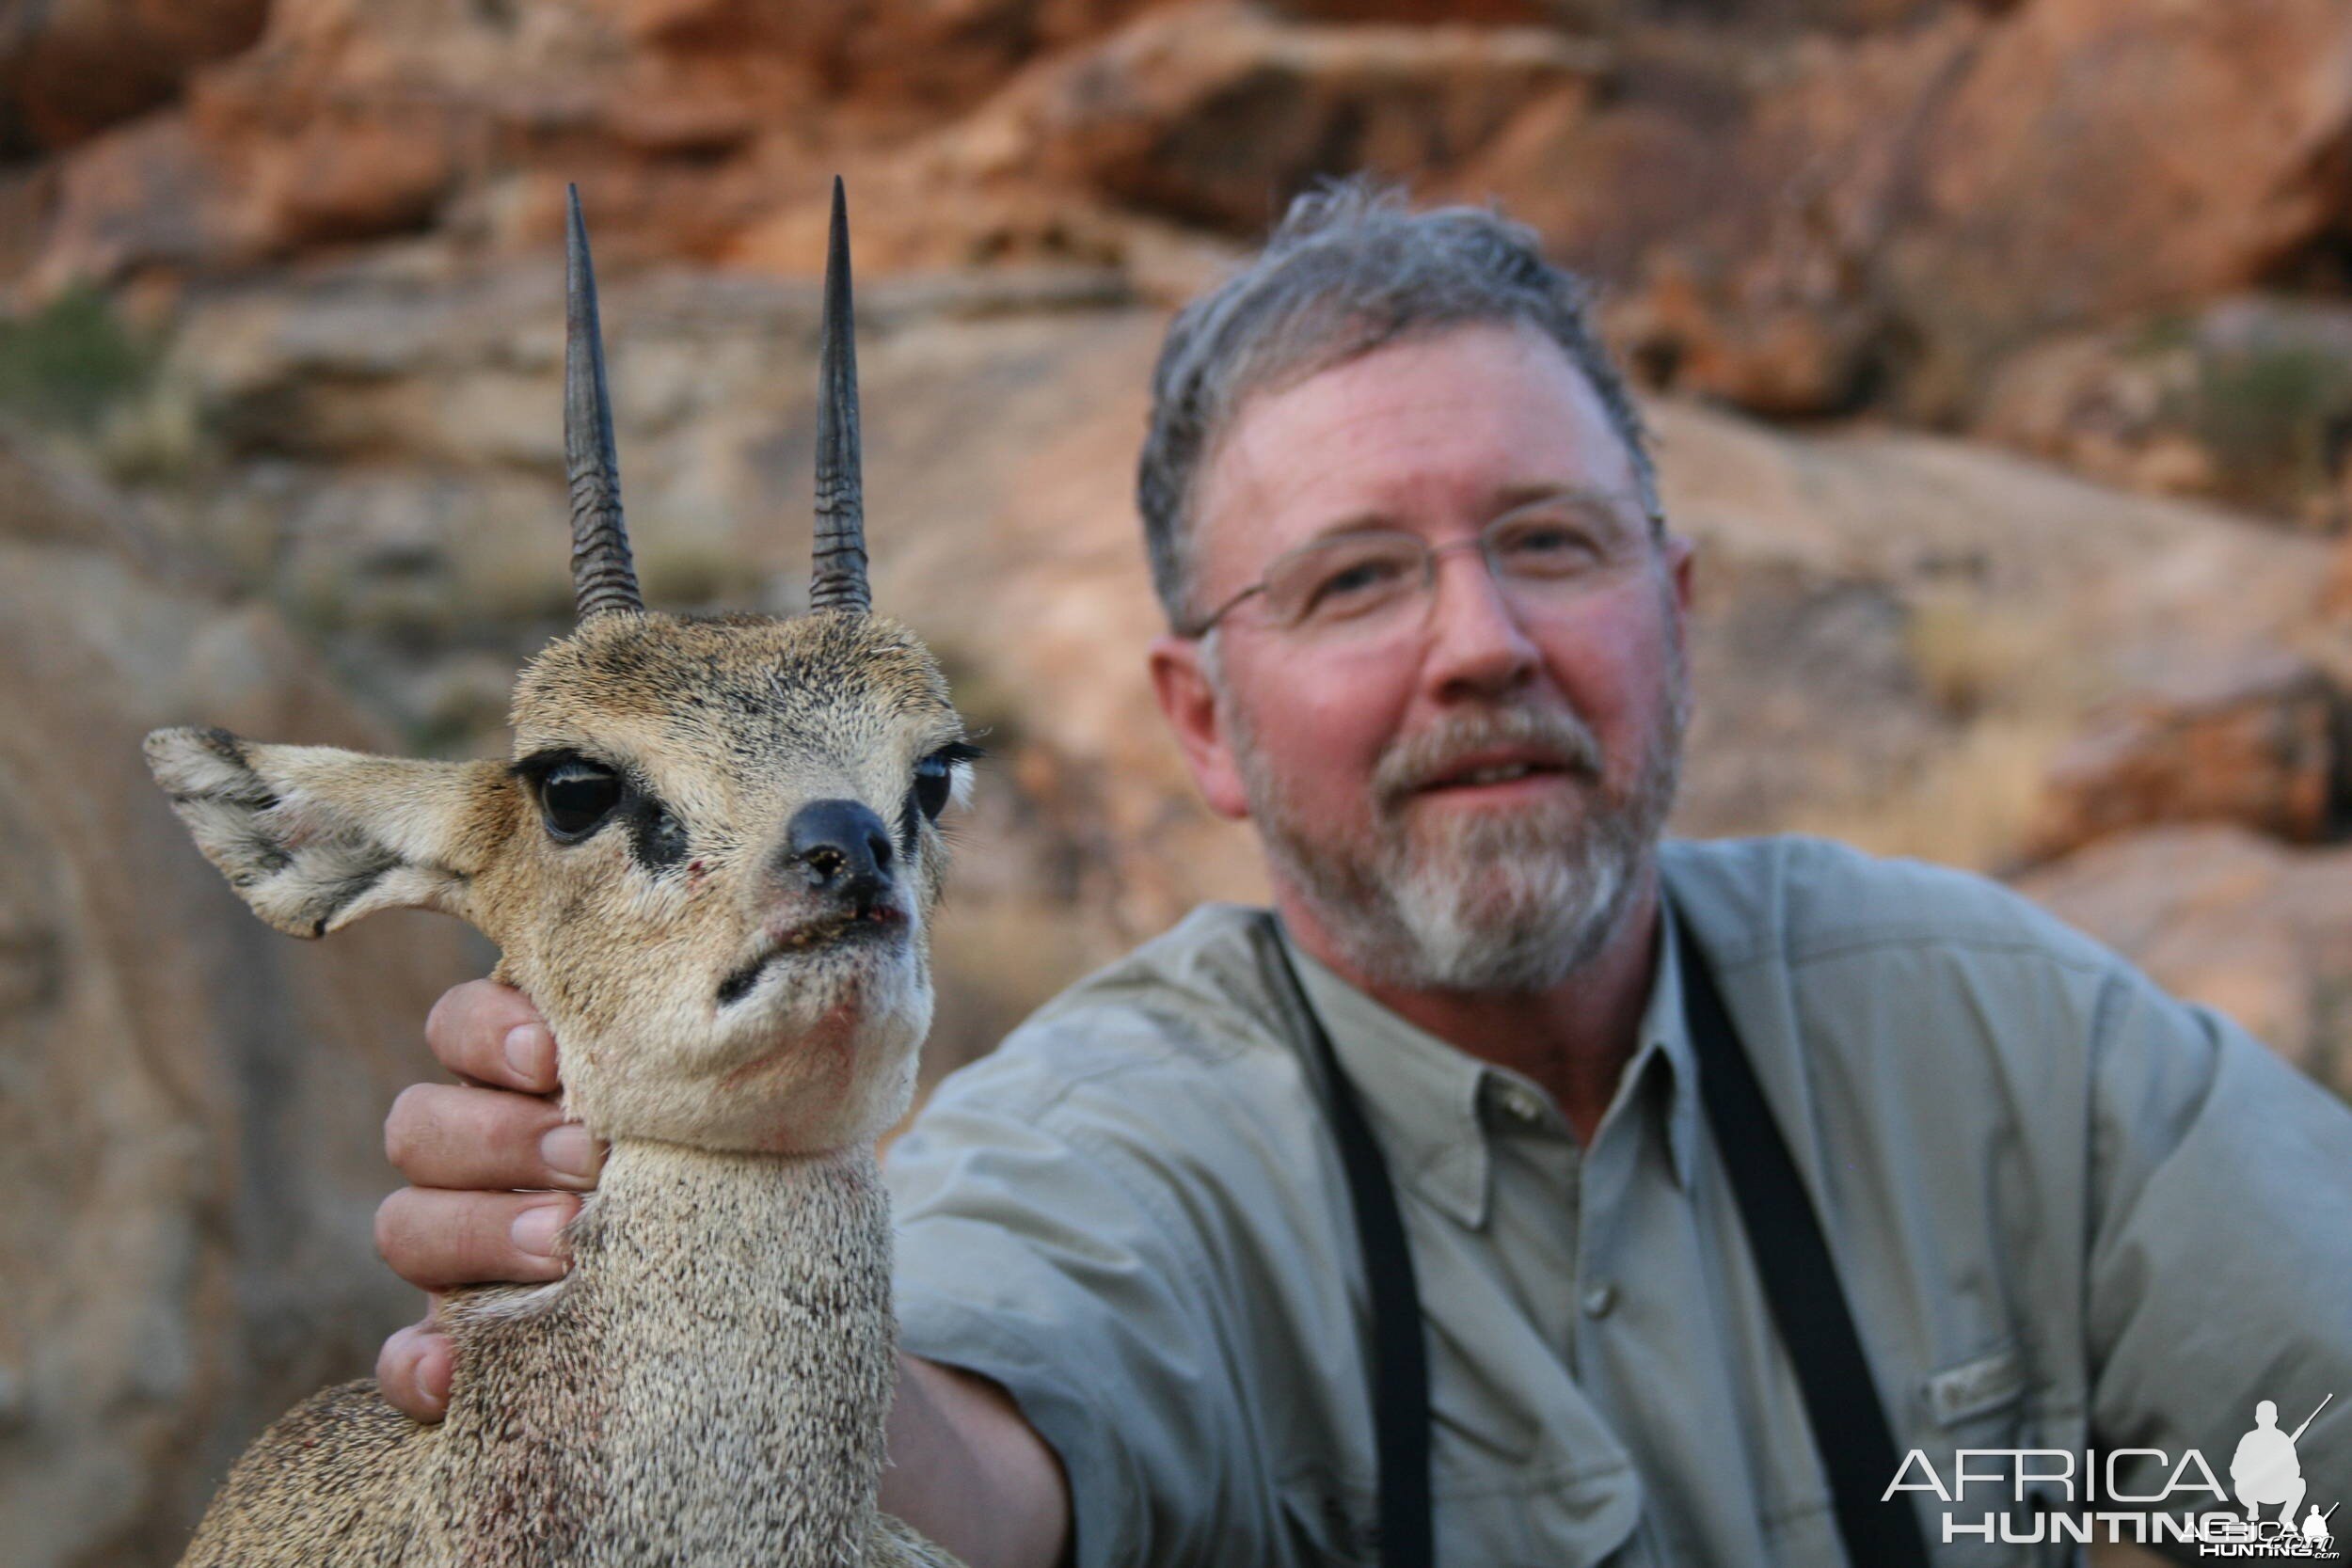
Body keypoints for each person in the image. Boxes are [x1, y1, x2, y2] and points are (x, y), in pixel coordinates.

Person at [365, 185, 2352, 1566]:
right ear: (1202, 718)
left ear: (1674, 614)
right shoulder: (1128, 1136)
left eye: (1553, 545)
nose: (1478, 641)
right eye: (1350, 582)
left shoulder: (1994, 1029)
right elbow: (966, 1471)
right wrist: (695, 1238)